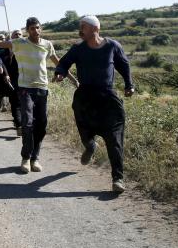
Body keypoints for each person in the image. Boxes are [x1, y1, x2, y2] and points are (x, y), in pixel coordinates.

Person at [54, 15, 134, 193]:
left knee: (115, 139)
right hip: (85, 97)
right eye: (80, 26)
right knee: (85, 130)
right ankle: (90, 146)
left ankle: (117, 179)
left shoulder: (113, 46)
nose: (80, 30)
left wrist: (130, 85)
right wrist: (60, 73)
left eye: (83, 27)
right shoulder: (78, 48)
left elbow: (124, 65)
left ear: (95, 29)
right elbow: (63, 63)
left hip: (107, 98)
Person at [0, 18, 78, 173]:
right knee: (28, 123)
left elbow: (59, 64)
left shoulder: (47, 45)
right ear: (27, 30)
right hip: (25, 88)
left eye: (37, 28)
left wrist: (73, 80)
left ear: (40, 28)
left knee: (41, 125)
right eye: (31, 28)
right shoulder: (19, 43)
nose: (35, 31)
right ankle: (26, 158)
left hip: (42, 88)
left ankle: (35, 158)